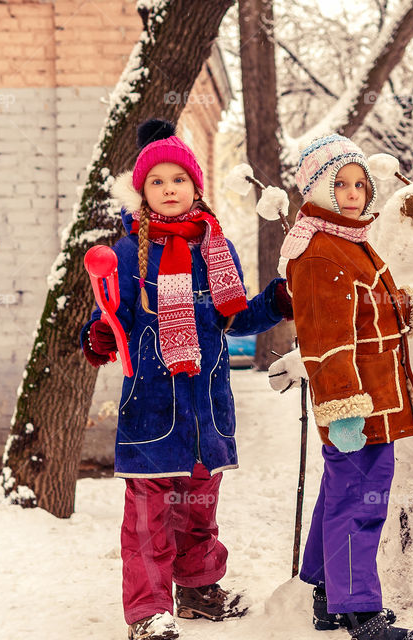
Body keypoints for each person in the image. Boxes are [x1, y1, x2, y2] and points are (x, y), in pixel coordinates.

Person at [80, 119, 293, 640]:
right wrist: (101, 336)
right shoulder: (129, 253)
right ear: (143, 192)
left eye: (179, 179)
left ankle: (198, 589)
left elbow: (235, 317)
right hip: (152, 405)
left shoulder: (216, 248)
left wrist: (277, 302)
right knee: (149, 516)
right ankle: (149, 611)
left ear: (197, 187)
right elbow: (112, 317)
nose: (169, 189)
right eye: (157, 181)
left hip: (206, 406)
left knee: (199, 506)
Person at [283, 134, 413, 640]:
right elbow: (324, 340)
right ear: (317, 189)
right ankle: (360, 610)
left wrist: (407, 307)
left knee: (341, 493)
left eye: (359, 184)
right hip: (357, 406)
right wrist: (343, 408)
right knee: (361, 501)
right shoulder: (321, 253)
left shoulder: (350, 240)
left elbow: (367, 309)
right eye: (339, 183)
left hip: (375, 399)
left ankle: (329, 594)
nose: (352, 193)